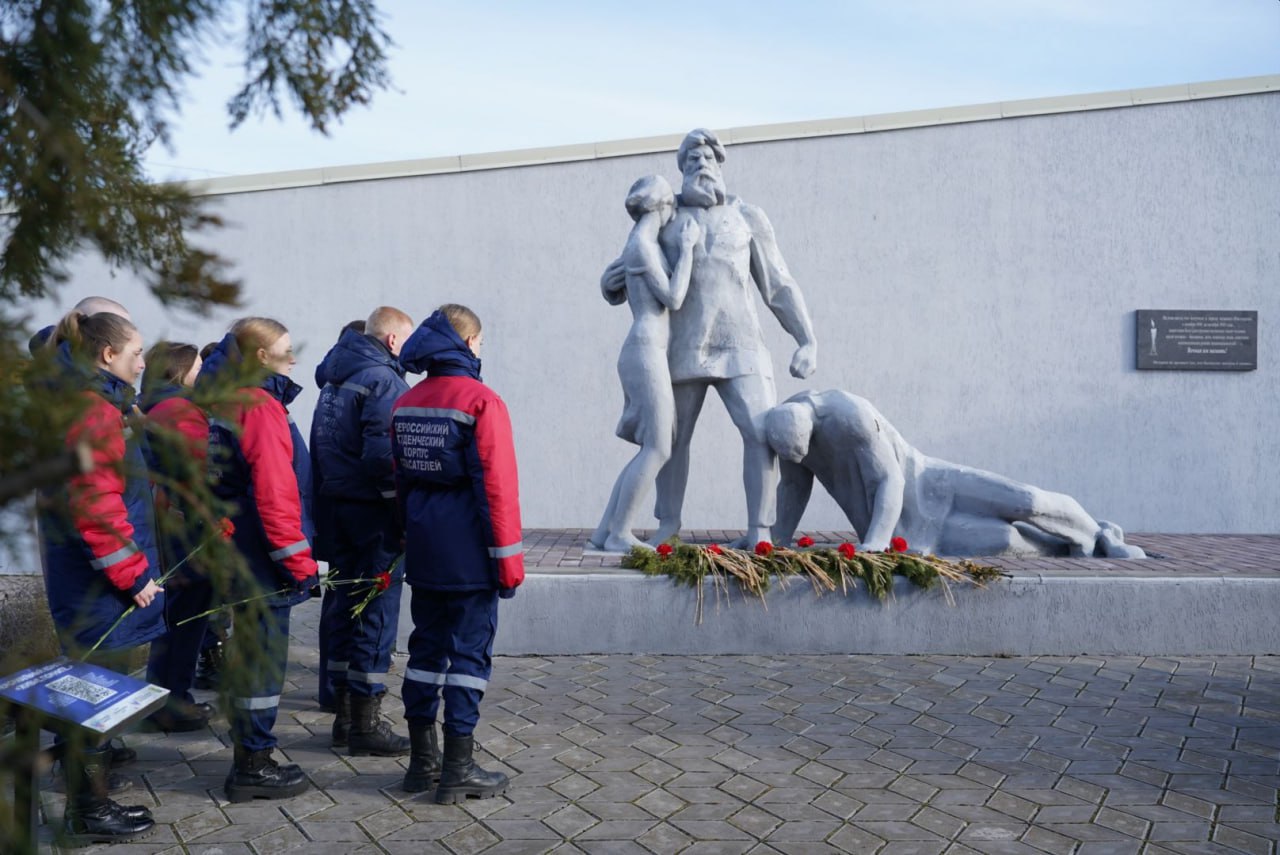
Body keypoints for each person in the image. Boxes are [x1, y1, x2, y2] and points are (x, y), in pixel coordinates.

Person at [602, 128, 818, 547]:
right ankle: (668, 526)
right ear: (681, 170)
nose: (701, 164)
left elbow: (778, 284)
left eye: (708, 158)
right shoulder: (666, 215)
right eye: (692, 159)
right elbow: (630, 264)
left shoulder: (748, 216)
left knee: (760, 433)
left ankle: (759, 531)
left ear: (720, 165)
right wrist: (610, 284)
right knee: (672, 439)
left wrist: (806, 339)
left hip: (744, 346)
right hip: (683, 346)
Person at [37, 310, 161, 844]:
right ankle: (90, 810)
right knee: (96, 696)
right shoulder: (94, 410)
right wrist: (135, 576)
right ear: (108, 355)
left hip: (81, 574)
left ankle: (88, 802)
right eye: (136, 353)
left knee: (91, 691)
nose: (143, 363)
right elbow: (97, 507)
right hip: (97, 584)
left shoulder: (81, 402)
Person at [391, 305, 524, 802]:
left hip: (425, 549)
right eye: (481, 342)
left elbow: (401, 481)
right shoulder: (482, 401)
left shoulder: (406, 402)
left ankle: (421, 764)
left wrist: (407, 536)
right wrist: (508, 563)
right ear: (469, 343)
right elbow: (496, 487)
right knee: (468, 655)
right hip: (470, 553)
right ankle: (458, 768)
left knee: (424, 650)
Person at [766, 389, 1146, 558]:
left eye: (803, 448)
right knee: (1004, 540)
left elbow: (890, 480)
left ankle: (1097, 533)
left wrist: (876, 543)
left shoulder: (849, 415)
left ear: (812, 423)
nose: (802, 457)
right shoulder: (786, 431)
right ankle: (1071, 548)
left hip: (932, 484)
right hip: (909, 531)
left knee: (1026, 501)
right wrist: (776, 539)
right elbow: (793, 488)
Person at [201, 317, 319, 802]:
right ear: (259, 356)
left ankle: (248, 751)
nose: (293, 359)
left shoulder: (224, 401)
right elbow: (275, 494)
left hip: (237, 550)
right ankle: (253, 763)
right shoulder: (258, 406)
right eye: (285, 350)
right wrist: (300, 564)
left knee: (247, 656)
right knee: (262, 662)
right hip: (263, 559)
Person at [311, 307, 414, 756]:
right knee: (375, 612)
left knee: (342, 608)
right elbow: (382, 457)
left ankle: (344, 716)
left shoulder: (334, 379)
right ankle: (366, 724)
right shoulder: (384, 381)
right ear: (392, 340)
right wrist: (400, 513)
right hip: (373, 517)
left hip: (337, 511)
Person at [590, 176, 700, 551]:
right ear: (663, 206)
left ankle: (605, 532)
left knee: (652, 447)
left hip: (646, 351)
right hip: (645, 352)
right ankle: (620, 533)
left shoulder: (639, 243)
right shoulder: (642, 245)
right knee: (658, 448)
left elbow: (614, 286)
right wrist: (687, 250)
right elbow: (674, 296)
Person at [139, 342, 216, 732]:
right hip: (185, 525)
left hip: (166, 519)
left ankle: (161, 697)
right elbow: (201, 469)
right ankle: (174, 702)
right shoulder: (181, 411)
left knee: (174, 615)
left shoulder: (153, 405)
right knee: (187, 616)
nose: (203, 373)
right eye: (198, 367)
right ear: (178, 370)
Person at [315, 317, 369, 713]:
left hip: (332, 508)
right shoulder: (368, 386)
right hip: (360, 512)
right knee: (354, 602)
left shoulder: (330, 389)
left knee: (336, 598)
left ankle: (332, 690)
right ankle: (348, 697)